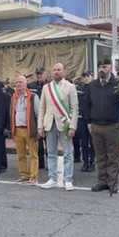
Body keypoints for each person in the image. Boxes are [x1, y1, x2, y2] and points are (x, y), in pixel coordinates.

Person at [84, 59, 119, 193]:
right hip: (96, 126)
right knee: (100, 156)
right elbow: (87, 105)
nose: (101, 69)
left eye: (104, 67)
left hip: (113, 126)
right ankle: (101, 181)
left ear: (110, 68)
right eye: (100, 67)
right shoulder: (92, 85)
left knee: (112, 156)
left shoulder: (118, 84)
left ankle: (112, 182)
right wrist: (88, 122)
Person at [38, 63, 78, 191]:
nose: (56, 72)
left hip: (64, 124)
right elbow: (42, 108)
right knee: (51, 152)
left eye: (59, 69)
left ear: (64, 71)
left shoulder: (70, 87)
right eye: (54, 69)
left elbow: (75, 108)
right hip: (50, 123)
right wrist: (40, 126)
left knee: (68, 152)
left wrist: (73, 126)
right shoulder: (46, 87)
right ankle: (52, 178)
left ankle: (68, 179)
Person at [11, 75, 40, 184]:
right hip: (17, 130)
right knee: (20, 155)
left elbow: (38, 114)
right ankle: (24, 175)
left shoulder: (33, 97)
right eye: (17, 82)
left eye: (21, 82)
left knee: (33, 154)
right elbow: (12, 114)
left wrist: (38, 130)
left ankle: (34, 176)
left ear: (26, 83)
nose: (18, 84)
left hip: (29, 130)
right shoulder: (13, 97)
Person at [74, 70, 95, 172]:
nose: (86, 78)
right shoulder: (79, 89)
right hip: (81, 118)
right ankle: (85, 162)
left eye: (88, 76)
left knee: (92, 142)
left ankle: (92, 162)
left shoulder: (95, 88)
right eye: (84, 76)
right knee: (84, 142)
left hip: (92, 120)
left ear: (92, 76)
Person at [28, 67, 48, 169]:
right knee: (38, 141)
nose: (39, 76)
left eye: (41, 74)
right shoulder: (31, 85)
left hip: (47, 116)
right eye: (38, 74)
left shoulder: (50, 85)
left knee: (48, 141)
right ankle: (40, 163)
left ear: (45, 74)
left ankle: (50, 163)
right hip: (36, 117)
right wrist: (25, 77)